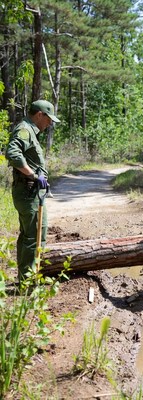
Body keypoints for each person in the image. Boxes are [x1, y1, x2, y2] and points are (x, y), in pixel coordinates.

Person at [5, 99, 60, 282]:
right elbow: (12, 153)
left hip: (29, 192)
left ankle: (25, 278)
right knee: (35, 236)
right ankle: (28, 282)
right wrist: (34, 176)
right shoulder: (25, 129)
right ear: (39, 115)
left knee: (29, 235)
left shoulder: (30, 131)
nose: (50, 123)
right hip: (28, 192)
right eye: (49, 118)